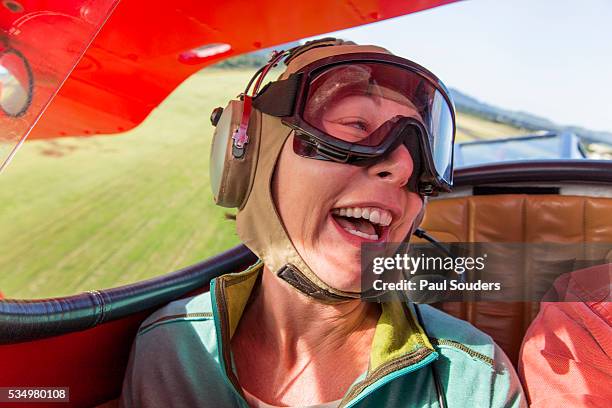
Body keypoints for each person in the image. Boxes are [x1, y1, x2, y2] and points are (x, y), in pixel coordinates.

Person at [119, 38, 525, 407]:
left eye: (418, 155)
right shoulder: (170, 348)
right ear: (248, 157)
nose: (402, 167)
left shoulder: (472, 383)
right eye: (356, 127)